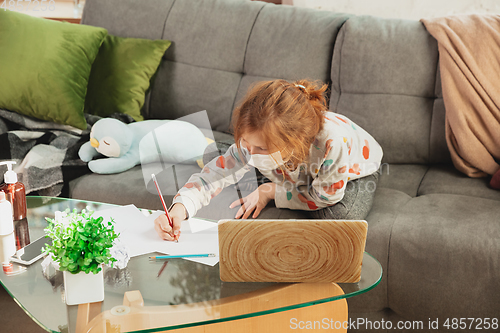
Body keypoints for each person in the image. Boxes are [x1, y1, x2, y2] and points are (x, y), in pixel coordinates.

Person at [154, 79, 383, 241]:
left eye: (261, 148)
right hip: (287, 165)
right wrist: (179, 208)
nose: (251, 151)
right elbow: (213, 176)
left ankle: (271, 183)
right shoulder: (253, 146)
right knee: (222, 160)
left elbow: (324, 197)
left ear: (293, 143)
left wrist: (271, 192)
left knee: (340, 217)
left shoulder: (332, 144)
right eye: (246, 142)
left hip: (352, 171)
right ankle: (268, 171)